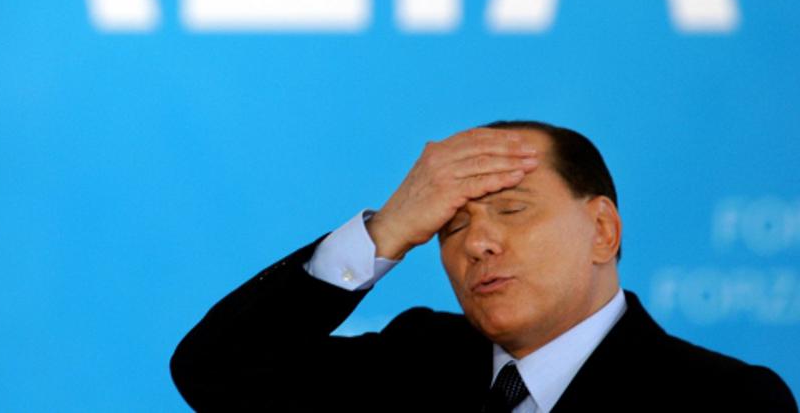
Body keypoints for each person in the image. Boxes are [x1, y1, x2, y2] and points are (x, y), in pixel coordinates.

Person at [170, 120, 797, 412]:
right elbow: (216, 372)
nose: (478, 244)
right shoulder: (412, 366)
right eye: (452, 225)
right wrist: (387, 229)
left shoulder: (727, 403)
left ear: (602, 229)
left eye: (513, 210)